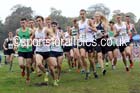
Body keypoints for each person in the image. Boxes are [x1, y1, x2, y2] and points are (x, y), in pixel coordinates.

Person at [78, 9, 98, 80]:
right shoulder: (79, 23)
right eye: (81, 14)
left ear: (85, 14)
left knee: (90, 59)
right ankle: (87, 71)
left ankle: (95, 71)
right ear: (80, 15)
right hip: (82, 41)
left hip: (89, 41)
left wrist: (89, 27)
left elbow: (95, 30)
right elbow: (79, 32)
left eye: (83, 14)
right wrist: (78, 38)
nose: (82, 15)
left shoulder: (89, 21)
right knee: (82, 56)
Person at [15, 18, 34, 84]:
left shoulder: (30, 30)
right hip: (21, 49)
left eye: (23, 22)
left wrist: (27, 43)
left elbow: (32, 39)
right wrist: (16, 45)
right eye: (21, 23)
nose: (22, 24)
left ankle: (28, 78)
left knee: (28, 66)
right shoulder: (17, 31)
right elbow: (17, 39)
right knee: (21, 64)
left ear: (26, 23)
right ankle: (23, 69)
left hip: (28, 50)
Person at [46, 20, 64, 86]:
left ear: (57, 26)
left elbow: (64, 40)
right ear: (51, 26)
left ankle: (58, 77)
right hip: (52, 51)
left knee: (59, 65)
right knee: (54, 65)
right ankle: (54, 79)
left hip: (59, 51)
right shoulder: (49, 33)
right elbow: (46, 39)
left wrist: (63, 40)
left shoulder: (60, 33)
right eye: (52, 26)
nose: (53, 27)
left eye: (55, 26)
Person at [34, 16, 50, 83]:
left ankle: (49, 72)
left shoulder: (46, 30)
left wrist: (48, 38)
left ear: (42, 21)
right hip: (38, 50)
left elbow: (52, 37)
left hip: (46, 50)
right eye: (37, 21)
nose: (38, 22)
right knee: (39, 64)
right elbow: (33, 38)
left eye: (39, 20)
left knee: (53, 66)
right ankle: (46, 72)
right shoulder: (35, 30)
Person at [94, 11, 107, 75]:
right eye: (96, 16)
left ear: (100, 17)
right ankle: (103, 69)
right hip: (96, 41)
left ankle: (98, 63)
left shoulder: (103, 24)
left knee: (103, 55)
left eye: (98, 16)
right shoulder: (93, 24)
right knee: (99, 55)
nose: (96, 17)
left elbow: (107, 32)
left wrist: (104, 35)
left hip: (103, 40)